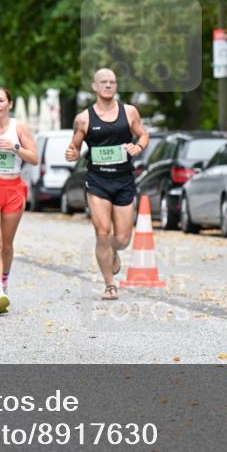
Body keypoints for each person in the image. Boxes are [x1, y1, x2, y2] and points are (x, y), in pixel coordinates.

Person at [64, 68, 150, 300]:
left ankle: (113, 250)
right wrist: (72, 154)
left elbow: (143, 134)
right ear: (95, 86)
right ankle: (110, 285)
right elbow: (74, 147)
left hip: (123, 180)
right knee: (102, 232)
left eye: (112, 82)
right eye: (104, 82)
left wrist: (138, 147)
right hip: (98, 180)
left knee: (122, 239)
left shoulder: (129, 112)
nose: (109, 85)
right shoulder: (84, 118)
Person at [0, 87, 38, 313]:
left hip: (14, 188)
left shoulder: (18, 128)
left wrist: (15, 147)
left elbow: (34, 158)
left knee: (8, 244)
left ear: (9, 104)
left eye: (1, 100)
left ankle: (4, 280)